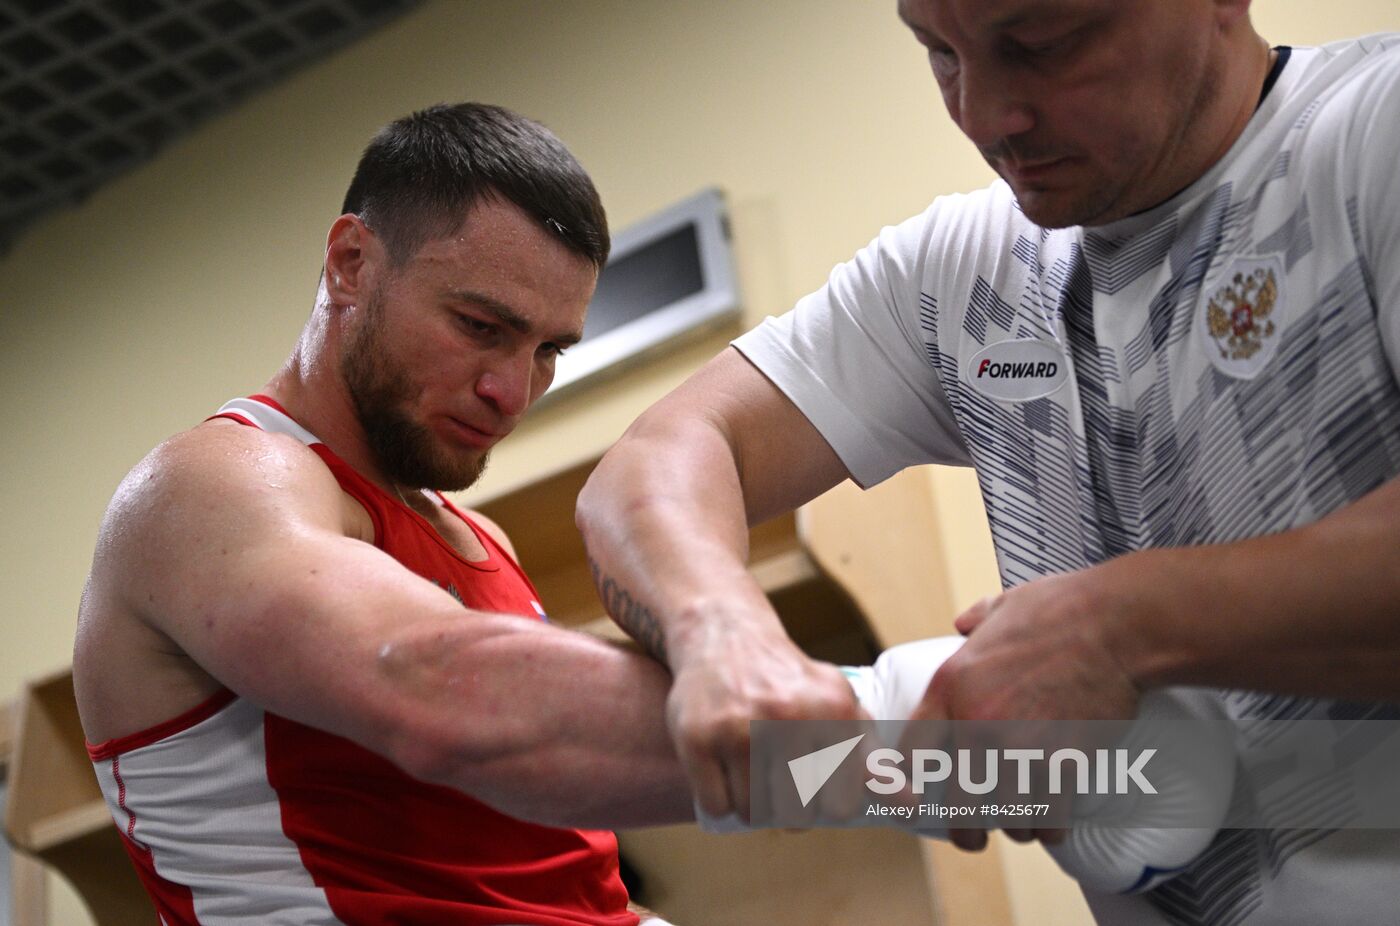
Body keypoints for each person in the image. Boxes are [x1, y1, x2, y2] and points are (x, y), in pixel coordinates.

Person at [575, 0, 1400, 921]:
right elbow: (659, 456)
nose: (983, 114)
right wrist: (717, 630)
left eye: (1041, 43)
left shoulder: (1373, 131)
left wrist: (1117, 625)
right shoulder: (961, 271)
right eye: (939, 53)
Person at [73, 102, 693, 926]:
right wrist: (853, 761)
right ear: (351, 263)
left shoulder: (478, 539)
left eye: (548, 350)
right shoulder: (215, 483)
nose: (512, 392)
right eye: (480, 326)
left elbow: (559, 874)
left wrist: (858, 771)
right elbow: (449, 694)